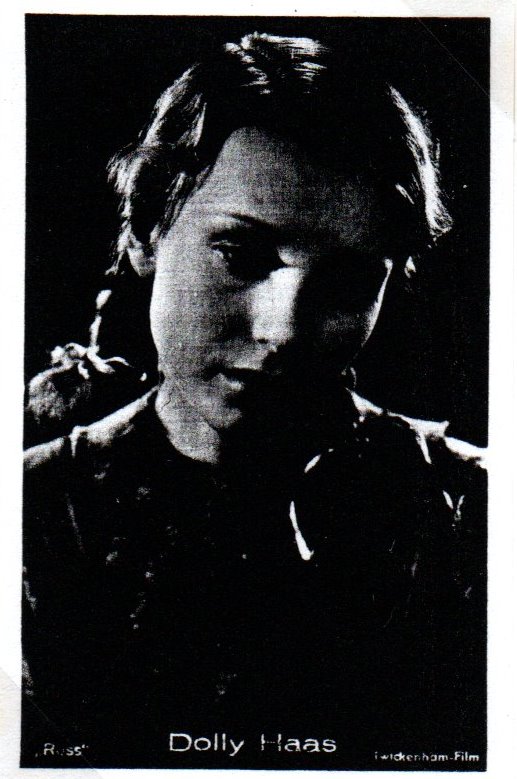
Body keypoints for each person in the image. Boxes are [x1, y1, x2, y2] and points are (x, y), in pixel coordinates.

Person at [22, 32, 486, 769]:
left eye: (347, 280)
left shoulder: (476, 512)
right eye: (241, 255)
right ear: (145, 231)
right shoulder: (30, 515)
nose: (285, 329)